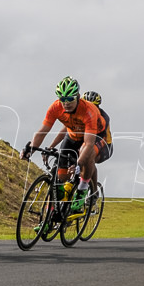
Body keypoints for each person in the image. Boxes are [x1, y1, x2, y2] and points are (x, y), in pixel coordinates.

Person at [21, 77, 111, 213]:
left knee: (87, 154)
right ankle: (55, 212)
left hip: (98, 137)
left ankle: (82, 189)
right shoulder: (56, 107)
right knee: (60, 176)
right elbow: (43, 132)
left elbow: (88, 143)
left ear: (78, 97)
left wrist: (79, 164)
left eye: (70, 99)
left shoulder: (89, 111)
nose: (66, 103)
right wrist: (31, 149)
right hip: (75, 135)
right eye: (62, 99)